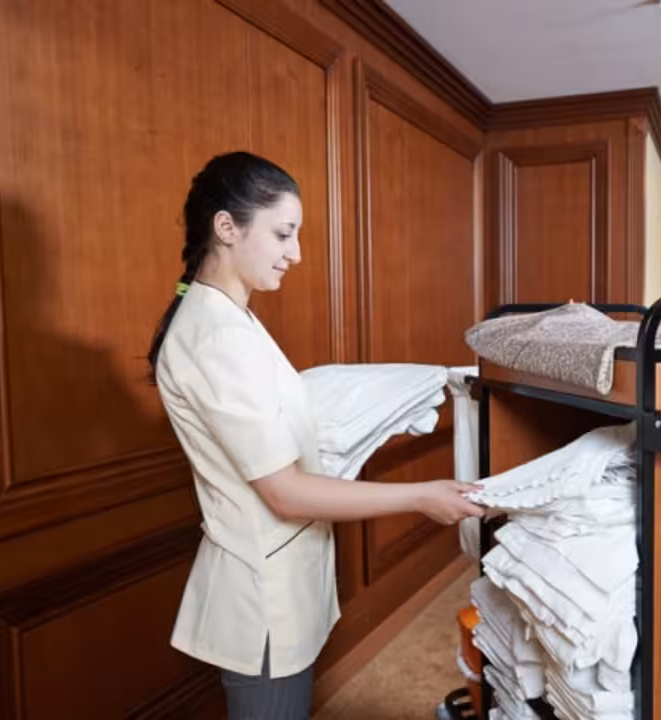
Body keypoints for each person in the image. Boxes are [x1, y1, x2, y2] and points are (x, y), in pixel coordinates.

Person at [147, 151, 485, 720]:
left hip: (281, 575)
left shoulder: (233, 318)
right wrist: (422, 496)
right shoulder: (216, 336)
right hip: (262, 596)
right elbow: (284, 492)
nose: (296, 253)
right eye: (283, 234)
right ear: (226, 227)